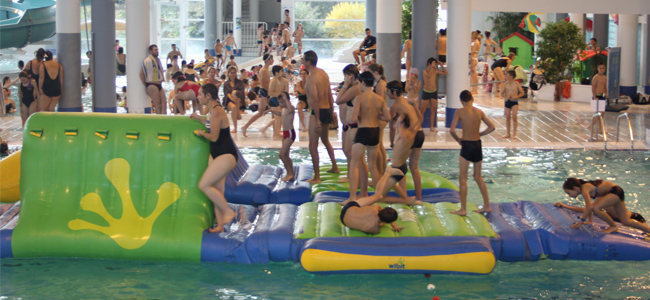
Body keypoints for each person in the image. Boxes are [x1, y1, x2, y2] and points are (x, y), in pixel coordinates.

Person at [190, 83, 238, 233]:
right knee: (217, 189)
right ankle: (220, 226)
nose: (198, 96)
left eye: (200, 94)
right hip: (218, 154)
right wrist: (200, 119)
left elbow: (214, 136)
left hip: (226, 154)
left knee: (203, 185)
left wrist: (201, 133)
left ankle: (228, 212)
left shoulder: (217, 111)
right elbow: (213, 125)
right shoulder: (212, 111)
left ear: (208, 95)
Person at [449, 90, 496, 216]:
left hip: (466, 145)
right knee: (478, 177)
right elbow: (492, 127)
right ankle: (487, 205)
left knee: (463, 179)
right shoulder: (479, 112)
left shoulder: (459, 112)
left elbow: (452, 130)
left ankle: (463, 209)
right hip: (477, 144)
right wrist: (480, 134)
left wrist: (458, 140)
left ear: (461, 101)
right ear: (472, 100)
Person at [347, 71, 391, 201]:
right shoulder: (380, 98)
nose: (358, 86)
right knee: (373, 166)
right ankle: (378, 195)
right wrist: (375, 115)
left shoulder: (360, 98)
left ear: (363, 82)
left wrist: (361, 115)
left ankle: (352, 197)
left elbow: (353, 118)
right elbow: (388, 117)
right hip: (375, 132)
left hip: (363, 131)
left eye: (359, 83)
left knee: (354, 164)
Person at [303, 50, 340, 183]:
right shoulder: (323, 73)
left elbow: (314, 99)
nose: (301, 61)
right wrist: (331, 112)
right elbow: (329, 94)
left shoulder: (311, 77)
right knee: (325, 140)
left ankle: (317, 177)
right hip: (326, 110)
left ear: (308, 62)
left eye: (303, 59)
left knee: (312, 146)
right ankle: (335, 166)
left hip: (316, 112)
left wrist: (317, 119)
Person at [562, 178, 650, 234]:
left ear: (575, 188)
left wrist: (580, 222)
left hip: (614, 191)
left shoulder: (585, 189)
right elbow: (589, 207)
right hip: (616, 191)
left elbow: (589, 207)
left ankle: (613, 226)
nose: (569, 195)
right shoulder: (590, 190)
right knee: (626, 221)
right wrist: (590, 221)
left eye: (569, 193)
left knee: (596, 208)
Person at [387, 80, 425, 199]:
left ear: (393, 92)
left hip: (410, 136)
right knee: (414, 167)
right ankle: (419, 197)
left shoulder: (394, 107)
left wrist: (392, 143)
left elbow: (392, 129)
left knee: (400, 167)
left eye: (388, 91)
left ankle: (404, 197)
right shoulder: (408, 101)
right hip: (419, 133)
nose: (386, 93)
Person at [336, 64, 362, 184]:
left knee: (352, 154)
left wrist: (345, 85)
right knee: (346, 150)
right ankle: (349, 174)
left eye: (346, 76)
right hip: (347, 125)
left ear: (350, 76)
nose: (345, 79)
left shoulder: (355, 88)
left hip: (354, 125)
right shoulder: (352, 88)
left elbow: (338, 100)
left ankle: (355, 177)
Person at [241, 54, 274, 137]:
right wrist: (271, 93)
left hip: (266, 92)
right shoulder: (263, 70)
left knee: (274, 110)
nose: (273, 60)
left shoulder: (266, 69)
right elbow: (263, 84)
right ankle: (245, 127)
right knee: (261, 112)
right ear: (267, 60)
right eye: (272, 59)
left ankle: (275, 129)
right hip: (264, 92)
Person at [368, 63, 388, 176]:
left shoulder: (380, 84)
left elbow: (380, 102)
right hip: (380, 117)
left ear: (375, 73)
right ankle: (383, 171)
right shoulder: (380, 82)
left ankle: (380, 172)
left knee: (378, 147)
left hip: (380, 117)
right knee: (379, 146)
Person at [554, 202, 646, 225]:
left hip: (632, 218)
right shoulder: (604, 213)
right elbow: (585, 209)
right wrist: (564, 206)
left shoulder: (636, 217)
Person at [421, 57, 447, 131]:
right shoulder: (425, 71)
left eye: (435, 64)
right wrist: (432, 67)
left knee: (433, 110)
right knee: (422, 110)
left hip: (434, 92)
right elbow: (429, 75)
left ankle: (431, 127)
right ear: (429, 64)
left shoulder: (435, 71)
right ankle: (419, 126)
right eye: (433, 63)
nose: (435, 65)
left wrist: (441, 65)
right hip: (426, 91)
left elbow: (445, 73)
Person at [140, 44, 167, 114]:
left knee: (164, 104)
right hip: (151, 84)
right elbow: (141, 74)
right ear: (150, 51)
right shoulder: (147, 61)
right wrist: (146, 84)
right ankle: (159, 121)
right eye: (155, 50)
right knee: (157, 105)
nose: (157, 51)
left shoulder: (158, 60)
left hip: (159, 84)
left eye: (157, 50)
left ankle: (164, 120)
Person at [501, 70, 524, 140]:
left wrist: (516, 97)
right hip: (507, 102)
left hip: (514, 102)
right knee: (508, 118)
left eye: (507, 75)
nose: (505, 76)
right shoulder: (506, 84)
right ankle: (508, 133)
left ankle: (514, 134)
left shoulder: (516, 84)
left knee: (514, 117)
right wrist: (505, 97)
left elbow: (522, 93)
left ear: (511, 77)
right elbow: (501, 93)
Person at [278, 91, 295, 181]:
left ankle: (290, 173)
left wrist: (286, 99)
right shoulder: (283, 109)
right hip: (285, 134)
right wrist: (270, 110)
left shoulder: (290, 108)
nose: (281, 104)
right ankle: (290, 173)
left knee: (282, 154)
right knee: (286, 155)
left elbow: (291, 110)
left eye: (282, 102)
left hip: (290, 133)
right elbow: (279, 113)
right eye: (280, 102)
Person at [223, 66, 245, 133]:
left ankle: (237, 113)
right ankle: (235, 127)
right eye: (231, 73)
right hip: (229, 100)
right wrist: (232, 98)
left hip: (239, 99)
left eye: (234, 73)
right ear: (228, 74)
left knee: (235, 93)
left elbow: (242, 92)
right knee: (234, 107)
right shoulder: (226, 83)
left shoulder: (239, 82)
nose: (233, 74)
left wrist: (236, 98)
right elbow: (227, 93)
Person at [591, 63, 607, 138]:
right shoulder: (595, 77)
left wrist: (606, 94)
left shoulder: (605, 77)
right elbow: (593, 87)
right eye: (600, 68)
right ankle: (589, 126)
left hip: (602, 96)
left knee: (602, 114)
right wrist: (594, 97)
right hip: (596, 96)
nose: (601, 70)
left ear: (605, 69)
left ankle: (600, 129)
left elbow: (605, 87)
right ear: (598, 69)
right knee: (598, 114)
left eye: (603, 68)